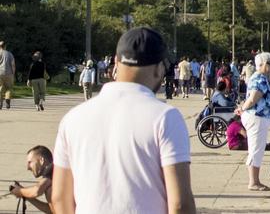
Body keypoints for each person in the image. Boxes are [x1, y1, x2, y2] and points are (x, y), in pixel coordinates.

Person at [49, 26, 196, 214]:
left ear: (115, 62)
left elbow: (60, 198)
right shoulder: (165, 118)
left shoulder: (73, 118)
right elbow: (180, 204)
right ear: (159, 68)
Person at [234, 51, 270, 192]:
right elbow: (253, 98)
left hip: (259, 118)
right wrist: (243, 108)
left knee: (257, 148)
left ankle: (255, 180)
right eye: (269, 63)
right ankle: (254, 182)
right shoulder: (259, 78)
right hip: (256, 117)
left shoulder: (260, 78)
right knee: (256, 149)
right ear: (262, 64)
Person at [8, 144, 53, 213]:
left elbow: (37, 191)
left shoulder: (53, 169)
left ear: (41, 160)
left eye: (30, 162)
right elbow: (52, 210)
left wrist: (19, 191)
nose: (28, 167)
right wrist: (25, 195)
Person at [0, 40, 16, 109]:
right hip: (9, 73)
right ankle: (7, 100)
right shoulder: (10, 54)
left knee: (0, 87)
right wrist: (13, 73)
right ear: (5, 46)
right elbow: (13, 65)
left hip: (0, 73)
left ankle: (0, 103)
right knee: (8, 88)